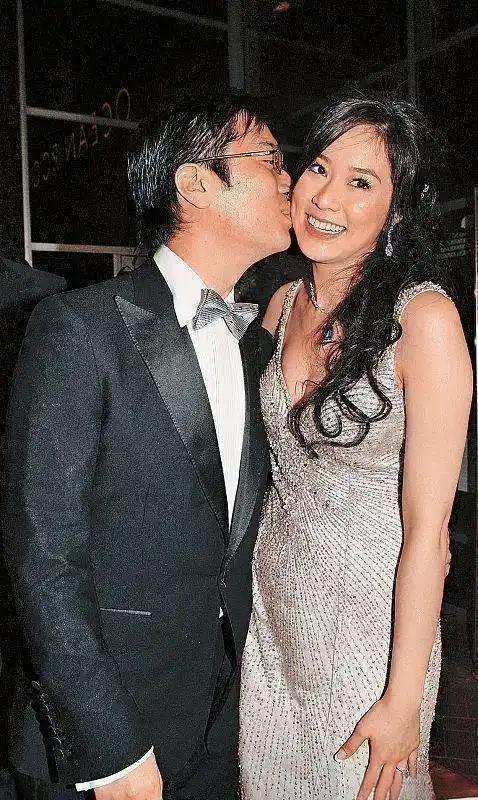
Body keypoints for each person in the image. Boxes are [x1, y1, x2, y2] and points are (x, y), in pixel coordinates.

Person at [3, 97, 291, 800]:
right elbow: (42, 556)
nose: (290, 178)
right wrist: (110, 749)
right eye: (270, 159)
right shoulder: (81, 328)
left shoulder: (257, 349)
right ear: (196, 184)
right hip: (106, 740)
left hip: (222, 728)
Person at [239, 97, 472, 800]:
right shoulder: (282, 305)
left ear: (395, 211)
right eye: (319, 167)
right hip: (273, 622)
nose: (326, 197)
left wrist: (403, 699)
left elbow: (431, 534)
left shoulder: (424, 319)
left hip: (372, 632)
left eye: (361, 181)